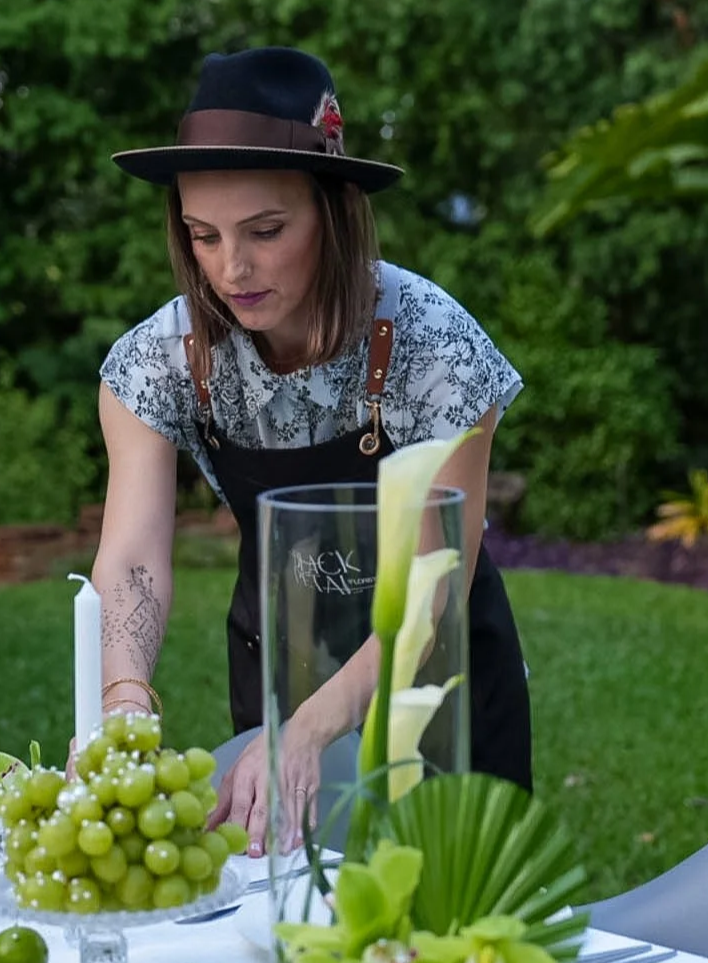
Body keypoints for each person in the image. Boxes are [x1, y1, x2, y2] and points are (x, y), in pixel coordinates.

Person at [91, 46, 532, 856]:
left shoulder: (436, 348)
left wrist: (309, 729)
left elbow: (433, 592)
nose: (232, 267)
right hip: (278, 658)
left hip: (436, 692)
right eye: (203, 235)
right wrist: (124, 695)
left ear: (333, 211)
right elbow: (133, 563)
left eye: (266, 230)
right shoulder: (156, 362)